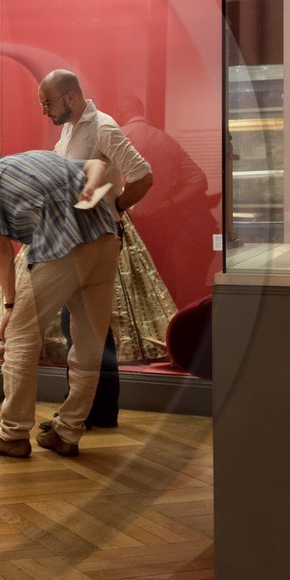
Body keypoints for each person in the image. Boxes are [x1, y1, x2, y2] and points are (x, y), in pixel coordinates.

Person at [0, 135, 118, 458]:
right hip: (105, 239)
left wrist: (10, 306)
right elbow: (100, 165)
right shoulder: (40, 157)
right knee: (89, 344)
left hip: (62, 247)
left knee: (21, 336)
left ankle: (12, 433)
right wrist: (91, 186)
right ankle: (67, 432)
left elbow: (0, 248)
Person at [37, 70, 179, 428]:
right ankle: (86, 409)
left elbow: (143, 176)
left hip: (95, 237)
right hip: (75, 236)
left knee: (91, 327)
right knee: (80, 326)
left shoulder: (104, 127)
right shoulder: (69, 128)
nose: (45, 111)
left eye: (48, 103)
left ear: (70, 97)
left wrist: (114, 210)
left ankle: (96, 411)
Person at [115, 93, 217, 305]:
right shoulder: (165, 139)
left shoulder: (119, 137)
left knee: (128, 285)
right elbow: (199, 181)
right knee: (156, 281)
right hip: (158, 223)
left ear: (123, 110)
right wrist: (167, 205)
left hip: (126, 222)